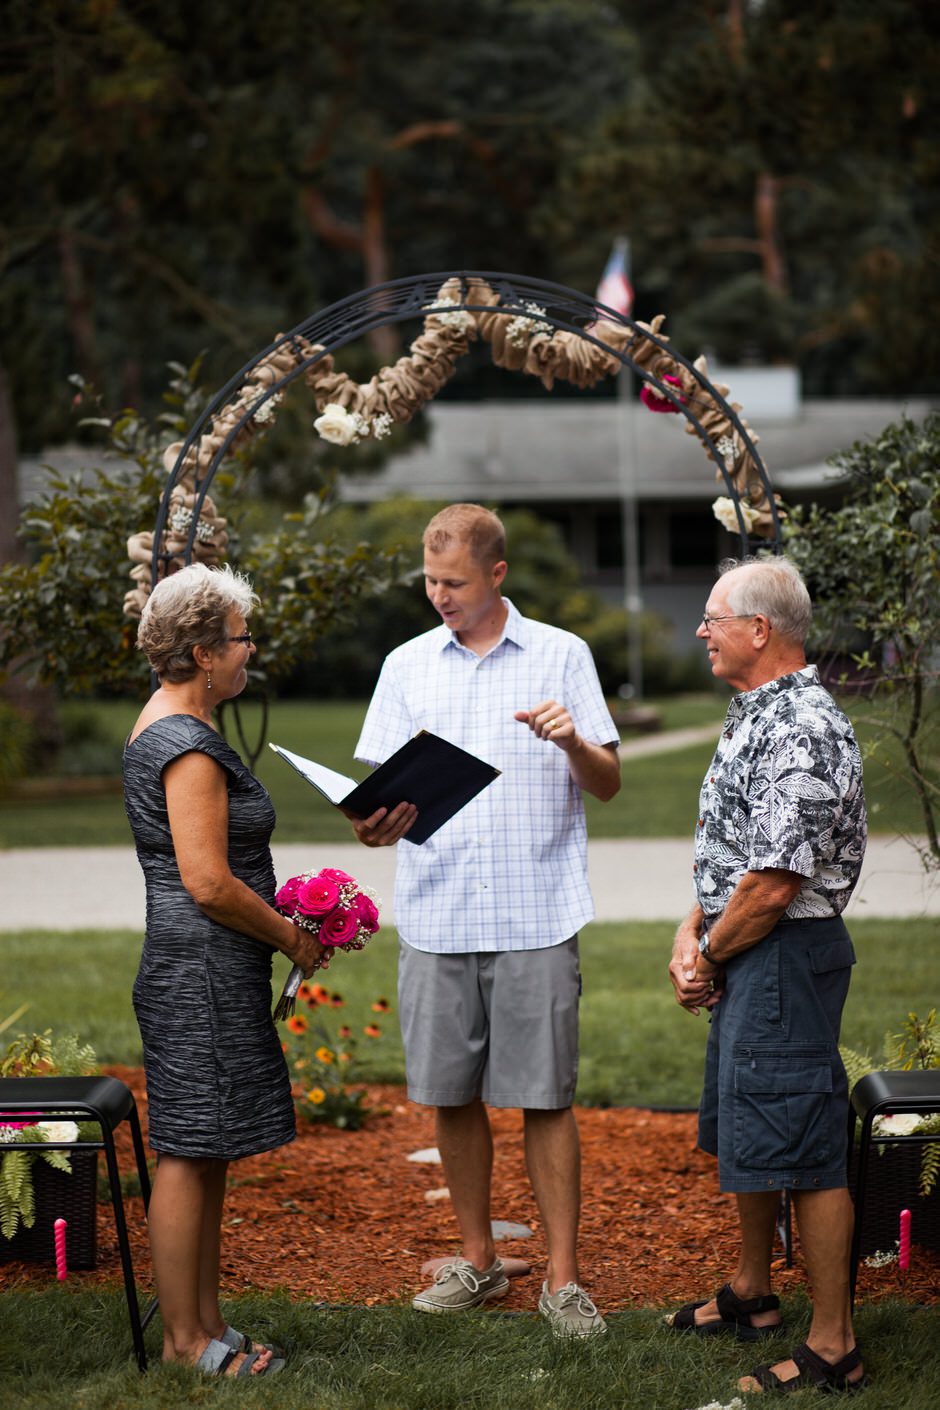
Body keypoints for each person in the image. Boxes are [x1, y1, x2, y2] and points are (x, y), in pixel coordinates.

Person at [347, 503, 621, 1338]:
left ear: (497, 574)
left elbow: (607, 783)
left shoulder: (562, 655)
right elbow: (376, 800)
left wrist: (573, 742)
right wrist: (372, 824)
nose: (440, 596)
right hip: (436, 916)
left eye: (455, 582)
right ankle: (479, 1262)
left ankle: (563, 1280)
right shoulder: (405, 665)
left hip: (538, 914)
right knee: (450, 1095)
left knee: (546, 1099)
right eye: (431, 581)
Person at [665, 556, 867, 1394]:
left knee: (805, 1144)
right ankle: (753, 1291)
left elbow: (776, 884)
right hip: (750, 946)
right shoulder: (759, 710)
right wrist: (692, 929)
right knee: (751, 1123)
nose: (701, 631)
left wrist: (710, 956)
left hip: (781, 952)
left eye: (712, 619)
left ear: (759, 629)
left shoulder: (803, 728)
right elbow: (735, 852)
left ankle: (834, 1346)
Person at [123, 563, 324, 1378]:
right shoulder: (186, 745)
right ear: (204, 653)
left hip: (204, 967)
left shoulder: (176, 722)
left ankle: (205, 1324)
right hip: (199, 970)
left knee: (206, 1148)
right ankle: (184, 1344)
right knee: (187, 1150)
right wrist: (290, 937)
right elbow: (207, 882)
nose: (251, 649)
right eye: (242, 637)